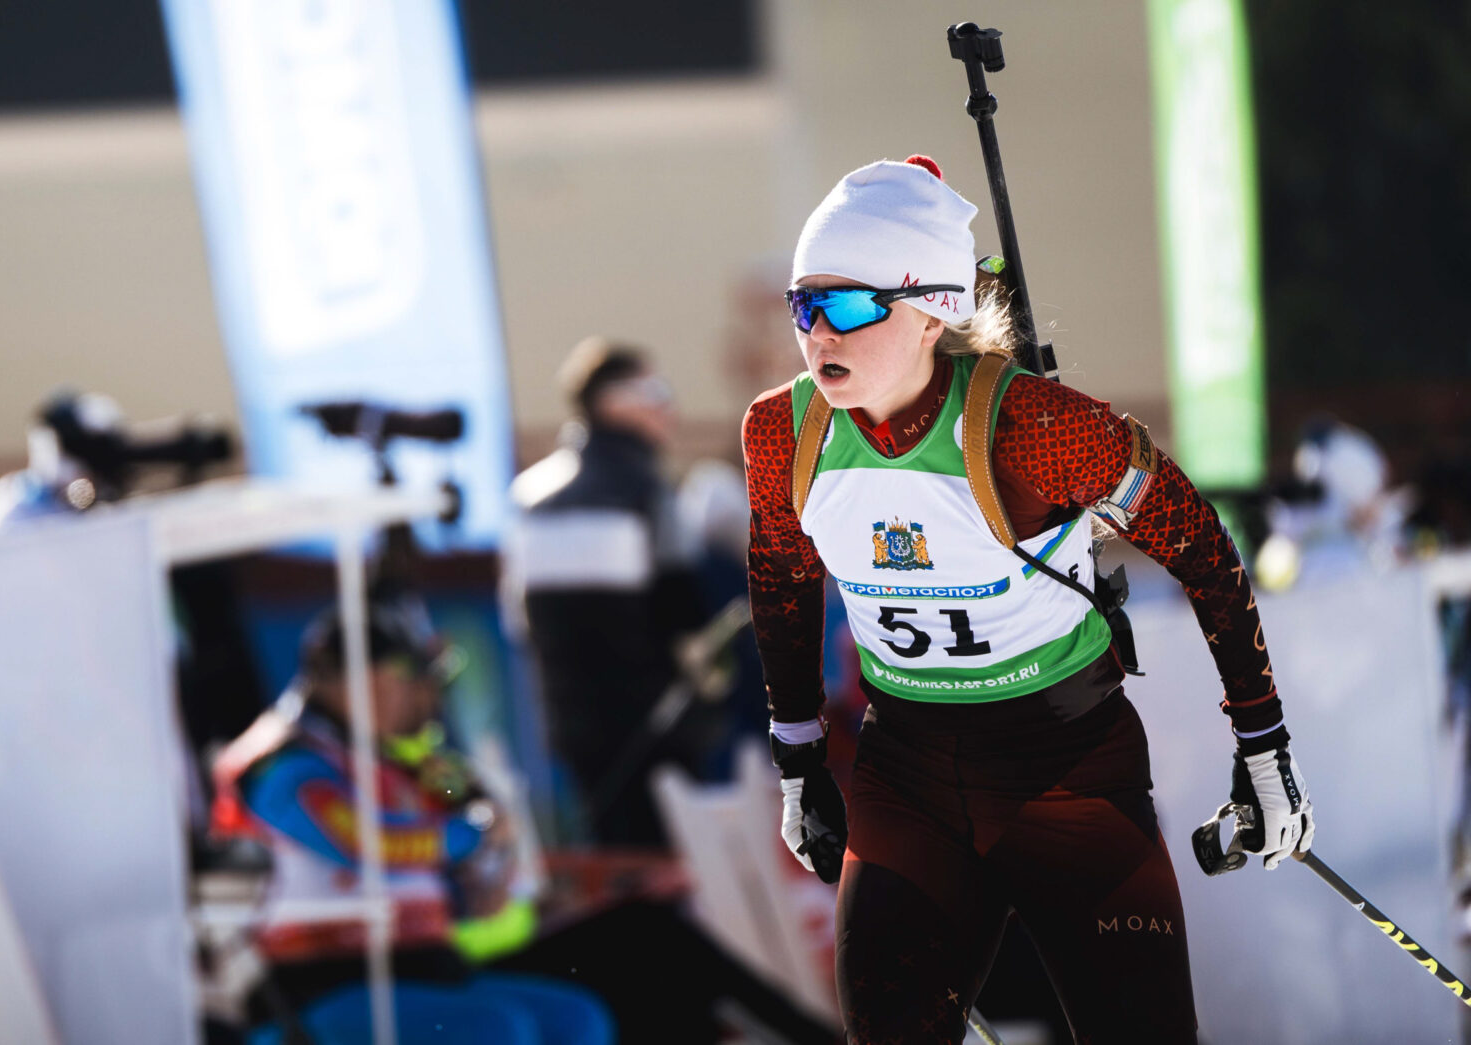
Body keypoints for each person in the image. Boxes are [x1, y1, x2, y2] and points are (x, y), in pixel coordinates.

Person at [743, 156, 1316, 1043]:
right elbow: (782, 578)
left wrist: (1263, 745)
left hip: (1065, 765)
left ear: (932, 309)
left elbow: (1201, 547)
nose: (820, 333)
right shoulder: (782, 431)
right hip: (908, 770)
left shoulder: (1035, 426)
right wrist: (797, 758)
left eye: (849, 306)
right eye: (803, 305)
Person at [211, 600, 613, 1045]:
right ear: (358, 678)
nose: (425, 695)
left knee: (575, 1020)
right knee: (492, 1030)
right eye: (409, 676)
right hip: (322, 983)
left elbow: (459, 837)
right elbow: (368, 842)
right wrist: (472, 833)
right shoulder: (285, 762)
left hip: (422, 969)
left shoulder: (406, 762)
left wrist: (480, 871)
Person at [503, 338, 713, 844]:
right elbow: (685, 615)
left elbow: (517, 623)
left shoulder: (529, 496)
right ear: (613, 403)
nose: (669, 408)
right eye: (656, 392)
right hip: (657, 729)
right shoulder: (646, 490)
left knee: (607, 857)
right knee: (665, 863)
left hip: (573, 732)